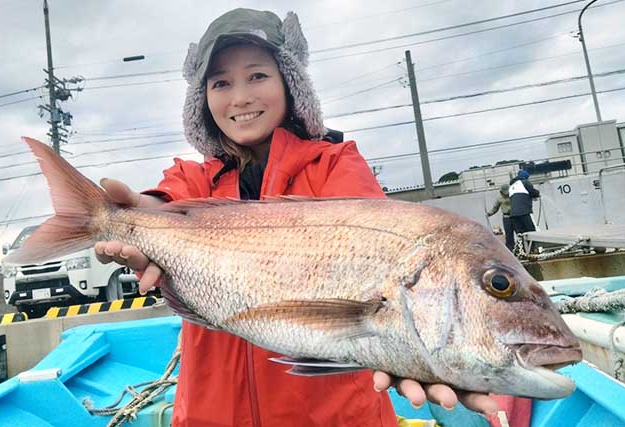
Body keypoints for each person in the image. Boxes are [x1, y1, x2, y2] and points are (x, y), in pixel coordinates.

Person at [94, 8, 498, 426]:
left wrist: (419, 351)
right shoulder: (193, 179)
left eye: (258, 76)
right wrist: (138, 216)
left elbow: (385, 257)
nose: (240, 97)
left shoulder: (336, 165)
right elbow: (167, 204)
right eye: (220, 83)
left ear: (291, 84)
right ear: (202, 100)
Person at [508, 170, 540, 236]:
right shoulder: (525, 182)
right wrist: (538, 193)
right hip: (524, 213)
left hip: (513, 215)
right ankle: (533, 246)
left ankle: (523, 246)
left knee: (521, 236)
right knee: (532, 233)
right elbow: (533, 192)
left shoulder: (511, 187)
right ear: (525, 177)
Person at [486, 184, 514, 251]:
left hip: (515, 216)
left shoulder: (513, 196)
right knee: (509, 234)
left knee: (519, 233)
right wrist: (489, 213)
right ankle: (510, 249)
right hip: (506, 217)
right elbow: (495, 208)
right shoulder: (499, 198)